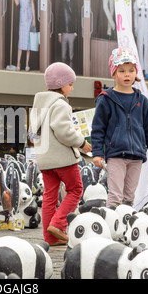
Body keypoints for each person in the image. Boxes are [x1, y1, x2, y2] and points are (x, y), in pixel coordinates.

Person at [29, 62, 92, 246]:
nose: (72, 88)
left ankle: (50, 238)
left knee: (49, 195)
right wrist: (82, 142)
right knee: (76, 189)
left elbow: (32, 134)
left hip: (45, 159)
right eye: (70, 84)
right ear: (61, 84)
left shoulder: (38, 105)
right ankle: (58, 224)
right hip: (63, 159)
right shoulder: (61, 104)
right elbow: (64, 131)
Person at [91, 47, 148, 208]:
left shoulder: (142, 101)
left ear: (136, 72)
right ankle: (111, 227)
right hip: (115, 155)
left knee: (130, 197)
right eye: (122, 70)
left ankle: (125, 228)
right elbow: (98, 129)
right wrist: (97, 153)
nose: (127, 74)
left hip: (137, 155)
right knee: (115, 195)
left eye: (131, 70)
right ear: (114, 73)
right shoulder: (106, 99)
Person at [11, 0, 36, 72]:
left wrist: (34, 19)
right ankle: (18, 63)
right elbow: (17, 3)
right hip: (22, 17)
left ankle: (27, 63)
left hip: (29, 16)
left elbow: (32, 4)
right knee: (21, 39)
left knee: (28, 40)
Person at [57, 0, 79, 69]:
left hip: (71, 32)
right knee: (63, 55)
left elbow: (76, 17)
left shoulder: (74, 1)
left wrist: (76, 32)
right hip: (64, 32)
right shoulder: (62, 1)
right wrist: (59, 33)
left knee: (71, 55)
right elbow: (59, 17)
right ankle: (63, 72)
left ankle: (71, 72)